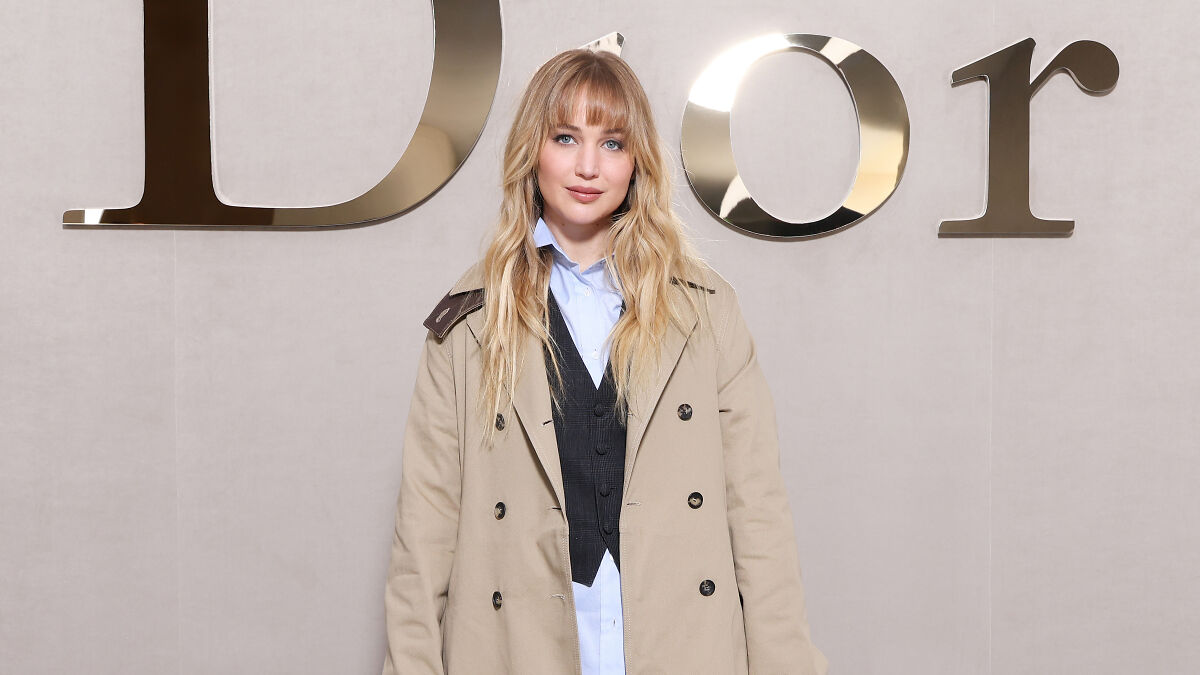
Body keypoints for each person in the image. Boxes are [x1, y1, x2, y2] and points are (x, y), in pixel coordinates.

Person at [382, 47, 827, 675]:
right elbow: (423, 537)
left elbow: (759, 518)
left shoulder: (705, 311)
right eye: (566, 138)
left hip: (680, 642)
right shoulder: (470, 320)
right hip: (520, 647)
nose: (588, 166)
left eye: (612, 143)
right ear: (532, 151)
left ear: (636, 161)